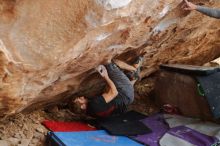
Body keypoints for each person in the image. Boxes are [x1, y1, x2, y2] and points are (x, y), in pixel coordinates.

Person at [72, 57, 143, 118]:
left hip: (126, 100)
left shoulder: (90, 113)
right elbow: (114, 92)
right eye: (79, 99)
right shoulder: (94, 104)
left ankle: (133, 78)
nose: (81, 97)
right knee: (109, 64)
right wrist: (105, 76)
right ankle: (134, 70)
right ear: (82, 106)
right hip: (125, 93)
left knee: (118, 81)